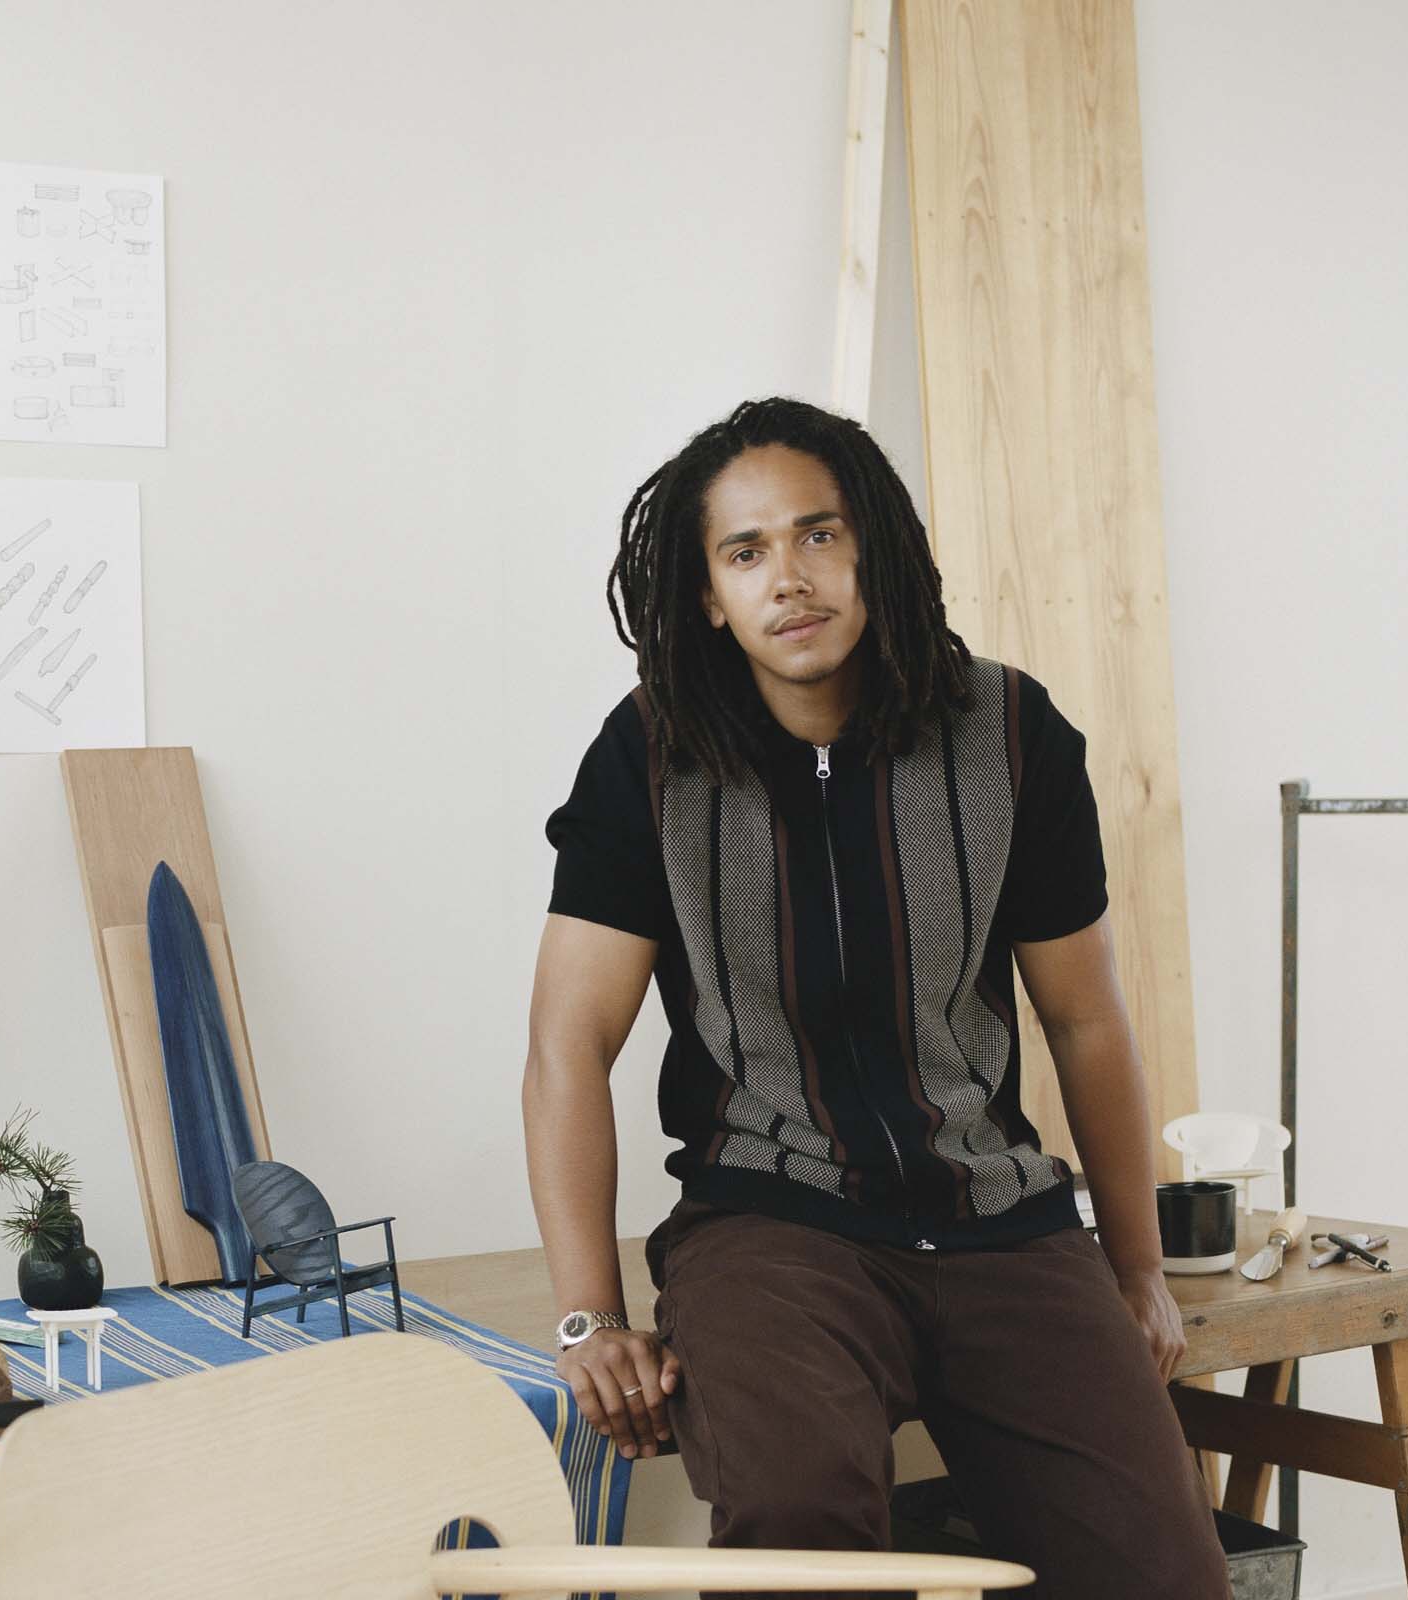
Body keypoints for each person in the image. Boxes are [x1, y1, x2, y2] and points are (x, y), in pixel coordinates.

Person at [524, 397, 1231, 1599]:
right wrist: (590, 1317)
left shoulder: (1011, 733)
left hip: (999, 1217)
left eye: (818, 535)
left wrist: (1138, 1264)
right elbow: (568, 1045)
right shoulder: (650, 755)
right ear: (709, 595)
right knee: (798, 1522)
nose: (788, 578)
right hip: (772, 1224)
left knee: (1161, 1568)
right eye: (745, 552)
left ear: (875, 550)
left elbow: (1085, 1019)